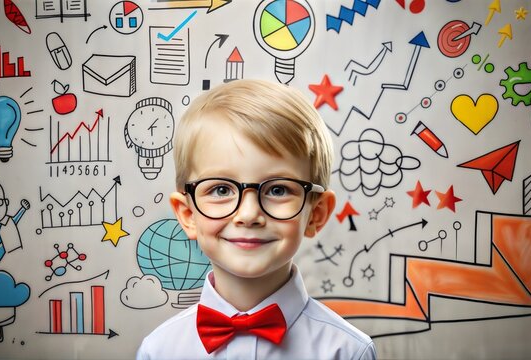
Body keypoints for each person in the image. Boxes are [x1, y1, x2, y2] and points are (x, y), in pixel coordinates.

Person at [136, 79, 376, 359]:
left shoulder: (348, 351)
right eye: (221, 189)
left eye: (278, 189)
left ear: (316, 214)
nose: (249, 215)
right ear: (188, 215)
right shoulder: (158, 350)